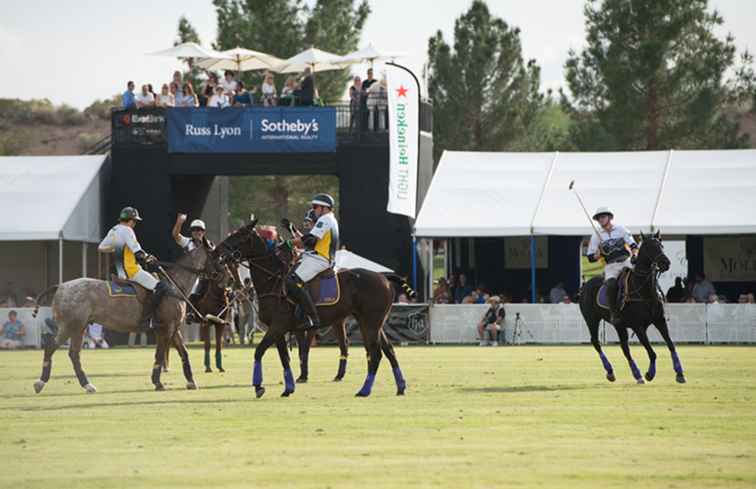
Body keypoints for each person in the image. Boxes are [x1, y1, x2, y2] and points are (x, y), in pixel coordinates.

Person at [98, 206, 168, 331]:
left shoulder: (113, 230)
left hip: (119, 272)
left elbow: (101, 247)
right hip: (131, 271)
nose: (135, 224)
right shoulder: (128, 230)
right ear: (130, 220)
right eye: (135, 221)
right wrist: (148, 258)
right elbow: (138, 252)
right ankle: (148, 320)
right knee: (161, 287)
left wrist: (117, 247)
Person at [286, 194, 339, 329]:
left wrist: (288, 243)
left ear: (324, 208)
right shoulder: (327, 219)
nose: (314, 209)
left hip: (320, 258)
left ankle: (312, 317)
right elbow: (310, 241)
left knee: (292, 281)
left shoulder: (325, 219)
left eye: (315, 207)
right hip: (315, 256)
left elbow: (309, 239)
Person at [586, 207, 638, 324]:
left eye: (603, 217)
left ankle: (657, 298)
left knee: (642, 274)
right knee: (611, 284)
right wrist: (598, 254)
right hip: (611, 266)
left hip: (626, 260)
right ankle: (614, 313)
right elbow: (590, 257)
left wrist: (634, 255)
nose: (601, 220)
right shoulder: (596, 235)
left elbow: (633, 245)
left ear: (609, 217)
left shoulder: (621, 229)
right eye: (599, 218)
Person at [172, 214, 211, 304]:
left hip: (201, 276)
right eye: (194, 230)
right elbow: (175, 235)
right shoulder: (187, 242)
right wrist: (179, 223)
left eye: (199, 230)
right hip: (185, 275)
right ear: (191, 232)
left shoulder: (209, 245)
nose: (197, 232)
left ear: (203, 232)